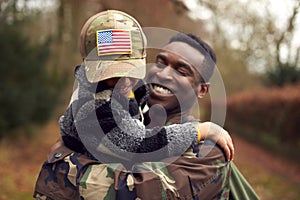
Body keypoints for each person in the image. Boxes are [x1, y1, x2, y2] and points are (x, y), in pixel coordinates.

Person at [33, 10, 254, 200]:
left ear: (202, 89)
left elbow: (130, 192)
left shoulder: (208, 148)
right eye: (160, 62)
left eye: (181, 70)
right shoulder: (118, 112)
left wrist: (63, 165)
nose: (163, 73)